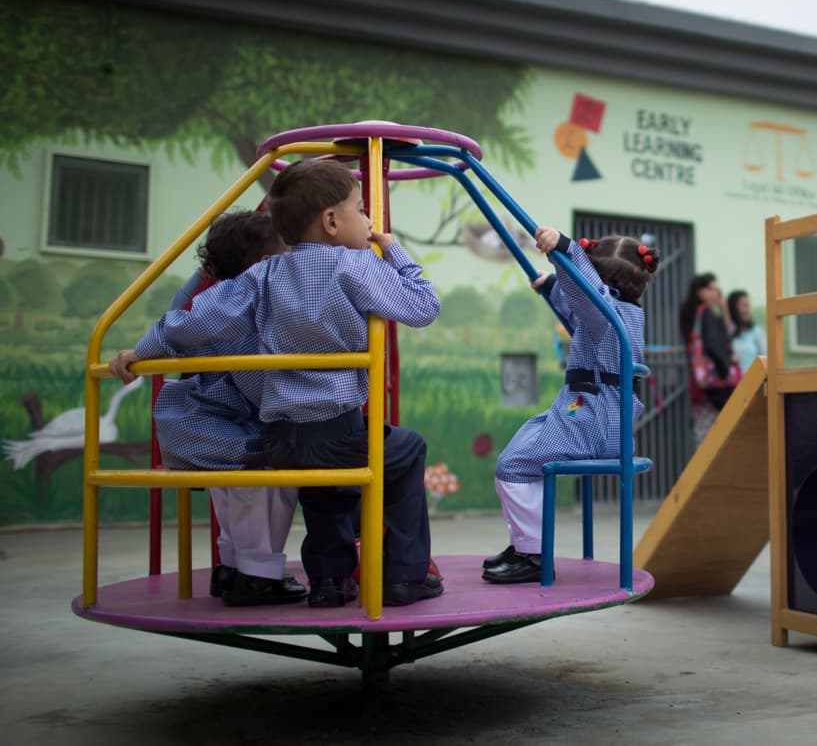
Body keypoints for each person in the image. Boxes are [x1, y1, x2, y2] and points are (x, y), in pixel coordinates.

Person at [111, 158, 443, 608]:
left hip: (281, 437)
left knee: (324, 483)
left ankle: (329, 583)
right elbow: (423, 306)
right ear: (331, 221)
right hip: (337, 428)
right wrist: (394, 251)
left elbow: (194, 321)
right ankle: (404, 575)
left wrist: (141, 351)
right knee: (406, 451)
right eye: (361, 210)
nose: (368, 221)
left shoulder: (262, 275)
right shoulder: (355, 266)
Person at [484, 227, 659, 584]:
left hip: (591, 419)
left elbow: (585, 297)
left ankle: (533, 554)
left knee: (514, 465)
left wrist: (564, 249)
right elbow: (579, 309)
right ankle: (526, 544)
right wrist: (551, 286)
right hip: (591, 412)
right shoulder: (622, 312)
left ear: (599, 283)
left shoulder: (605, 311)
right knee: (516, 449)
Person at [151, 210, 305, 607]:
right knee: (274, 476)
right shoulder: (241, 308)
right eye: (286, 252)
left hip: (203, 419)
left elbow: (176, 311)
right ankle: (258, 575)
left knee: (231, 485)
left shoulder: (214, 297)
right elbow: (257, 386)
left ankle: (233, 566)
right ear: (263, 265)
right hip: (227, 421)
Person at [679, 273, 741, 443]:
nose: (716, 293)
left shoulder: (692, 313)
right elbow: (718, 344)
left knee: (703, 432)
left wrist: (723, 307)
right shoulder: (706, 313)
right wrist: (726, 368)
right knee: (715, 437)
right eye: (711, 289)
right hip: (714, 385)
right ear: (699, 291)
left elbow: (729, 332)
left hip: (700, 382)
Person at [727, 289, 767, 373]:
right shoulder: (728, 330)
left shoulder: (756, 331)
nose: (747, 310)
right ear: (733, 308)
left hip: (753, 383)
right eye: (744, 305)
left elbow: (766, 358)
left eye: (748, 306)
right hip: (732, 384)